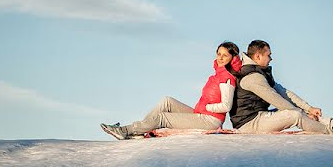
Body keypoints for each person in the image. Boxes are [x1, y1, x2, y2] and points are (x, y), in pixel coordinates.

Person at [100, 42, 242, 140]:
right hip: (201, 114)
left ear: (232, 58)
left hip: (210, 120)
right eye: (219, 54)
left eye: (225, 55)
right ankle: (140, 130)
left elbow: (226, 106)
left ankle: (125, 131)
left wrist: (207, 107)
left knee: (163, 118)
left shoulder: (228, 78)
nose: (220, 57)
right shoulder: (218, 74)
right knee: (167, 101)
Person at [230, 39, 333, 135]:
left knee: (296, 109)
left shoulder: (261, 73)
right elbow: (276, 99)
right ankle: (332, 132)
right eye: (268, 55)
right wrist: (303, 114)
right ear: (258, 56)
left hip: (259, 117)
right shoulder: (252, 77)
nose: (271, 58)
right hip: (248, 124)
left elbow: (284, 93)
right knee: (294, 115)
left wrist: (309, 108)